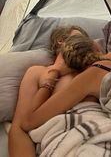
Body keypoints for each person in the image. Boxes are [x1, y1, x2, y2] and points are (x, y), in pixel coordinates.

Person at [8, 26, 100, 157]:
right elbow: (18, 129)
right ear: (61, 41)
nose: (83, 42)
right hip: (63, 139)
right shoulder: (38, 72)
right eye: (78, 37)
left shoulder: (96, 68)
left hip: (102, 129)